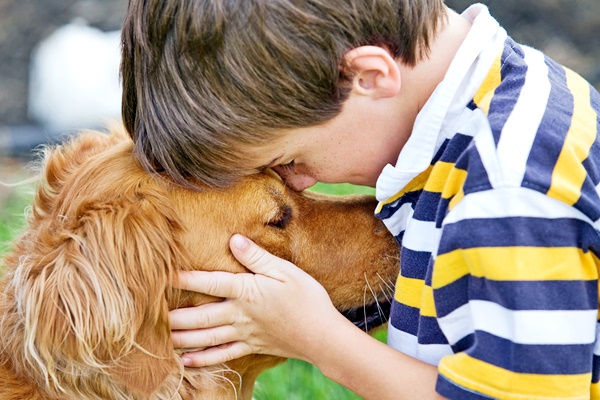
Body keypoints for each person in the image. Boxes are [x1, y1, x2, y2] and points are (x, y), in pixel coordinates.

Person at [120, 0, 600, 398]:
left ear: (368, 77)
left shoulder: (507, 190)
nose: (301, 181)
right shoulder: (518, 99)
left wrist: (320, 340)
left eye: (289, 160)